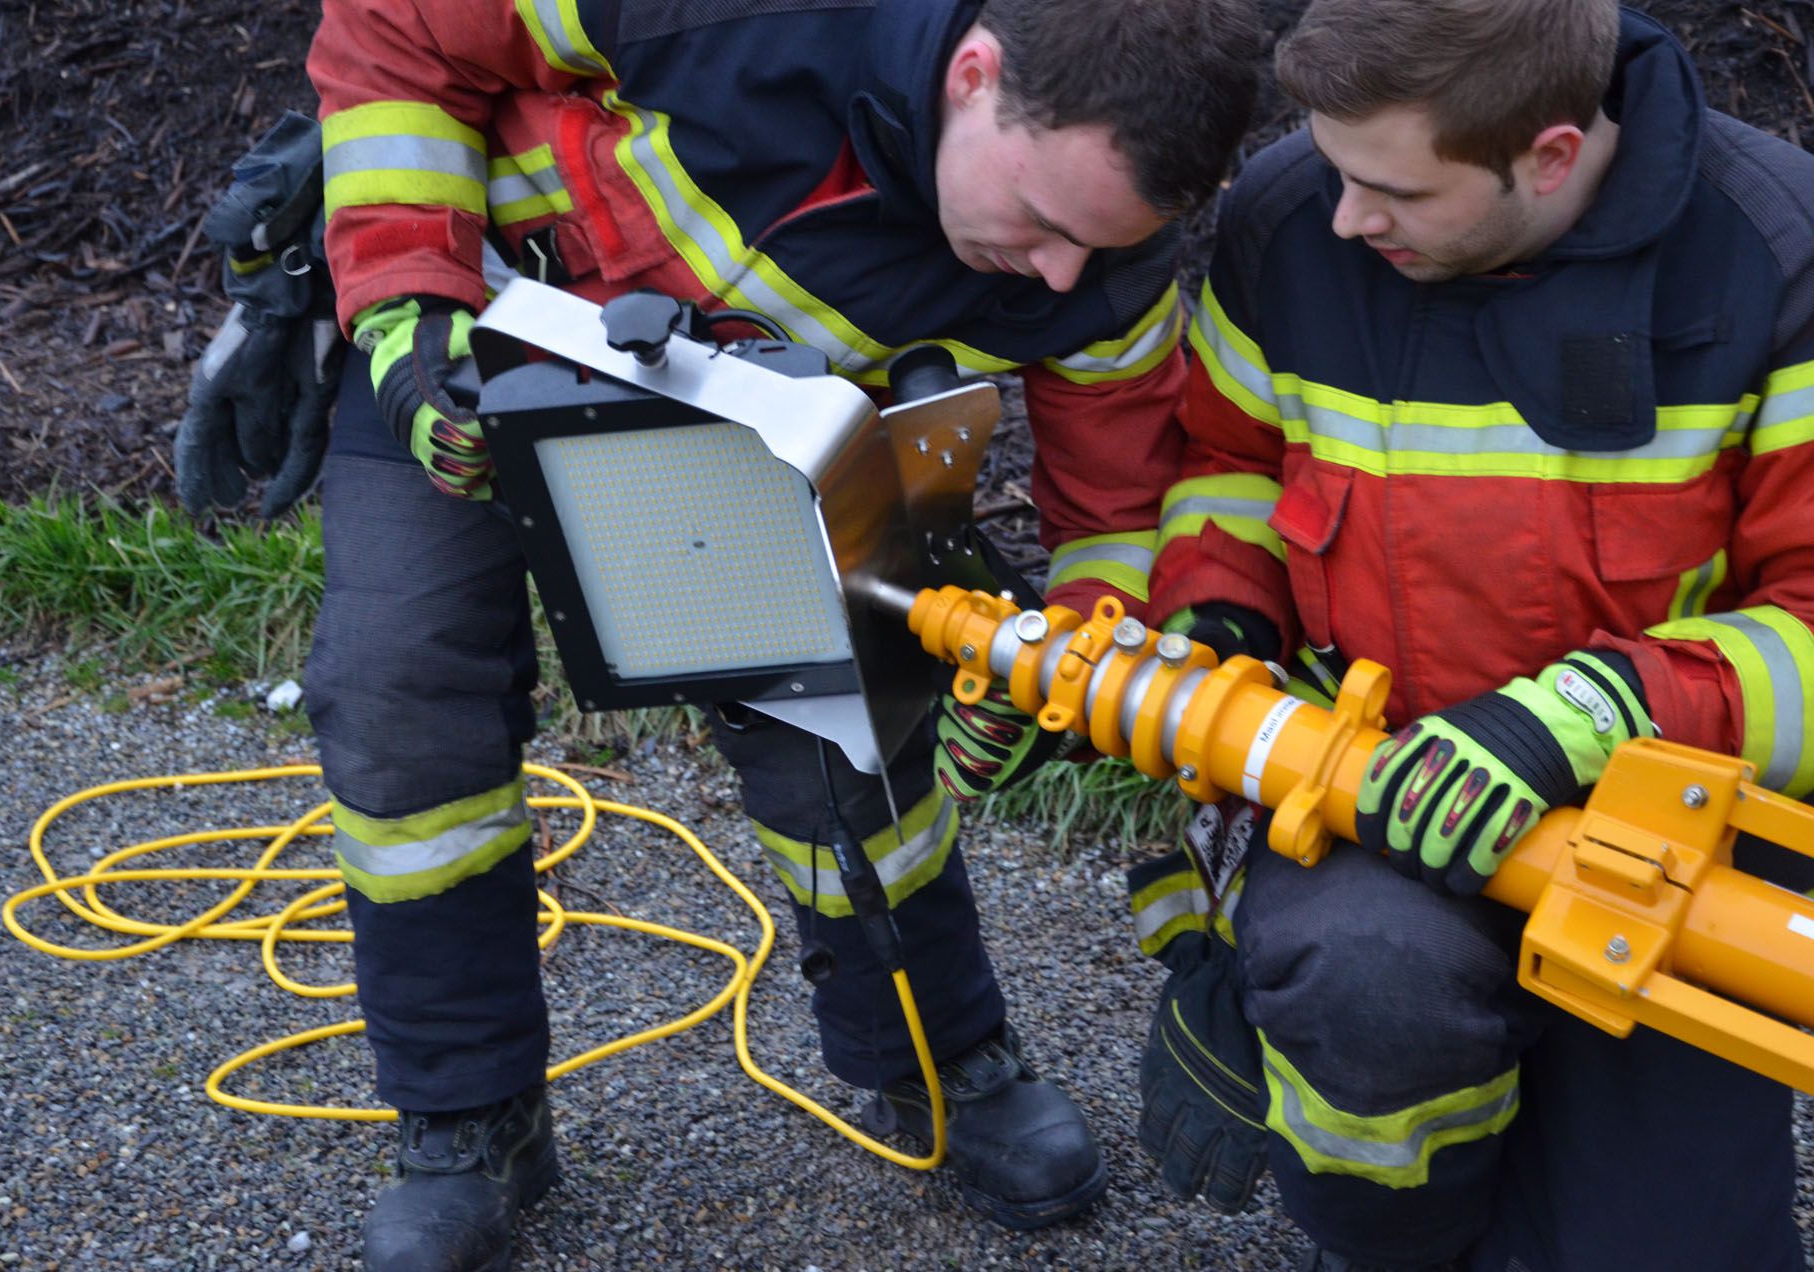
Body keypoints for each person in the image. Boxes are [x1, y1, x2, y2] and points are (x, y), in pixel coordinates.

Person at [171, 2, 1261, 1268]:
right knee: (399, 689)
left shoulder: (1109, 263)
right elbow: (397, 30)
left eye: (1101, 245)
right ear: (976, 76)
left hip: (741, 419)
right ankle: (469, 1117)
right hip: (484, 337)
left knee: (842, 728)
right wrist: (408, 304)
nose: (1062, 272)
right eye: (1050, 223)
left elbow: (1120, 511)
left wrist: (1065, 663)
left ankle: (936, 1057)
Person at [1134, 1, 1814, 1269]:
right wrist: (1220, 613)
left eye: (1392, 189)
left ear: (1550, 156)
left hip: (1667, 845)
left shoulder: (1772, 251)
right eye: (1334, 169)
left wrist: (1586, 716)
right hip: (1377, 813)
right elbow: (1230, 462)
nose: (1347, 219)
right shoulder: (1292, 220)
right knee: (1364, 1003)